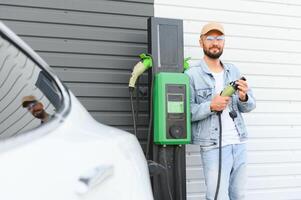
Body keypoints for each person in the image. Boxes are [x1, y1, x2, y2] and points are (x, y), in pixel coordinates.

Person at [185, 22, 256, 200]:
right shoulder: (191, 75)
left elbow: (250, 105)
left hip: (238, 142)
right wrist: (210, 106)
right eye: (209, 38)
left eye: (219, 38)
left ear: (224, 42)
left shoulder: (233, 71)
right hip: (213, 145)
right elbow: (187, 112)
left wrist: (243, 97)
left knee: (238, 195)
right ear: (201, 42)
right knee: (217, 196)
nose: (215, 42)